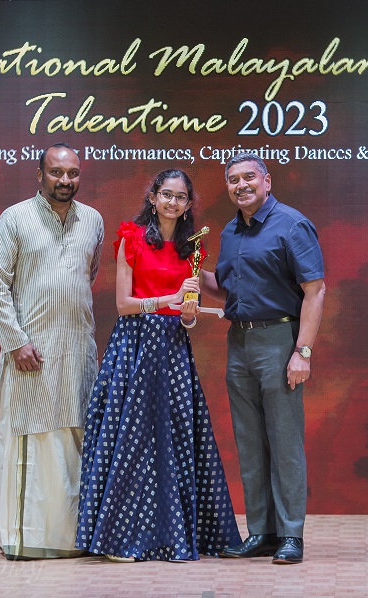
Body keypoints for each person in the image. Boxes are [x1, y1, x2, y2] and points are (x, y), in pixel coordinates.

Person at [76, 168, 242, 562]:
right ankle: (118, 540)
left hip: (172, 349)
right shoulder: (132, 238)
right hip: (134, 347)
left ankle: (171, 536)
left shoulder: (190, 249)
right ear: (153, 197)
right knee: (130, 443)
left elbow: (186, 314)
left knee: (174, 441)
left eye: (180, 197)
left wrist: (188, 312)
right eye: (166, 194)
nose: (172, 202)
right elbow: (123, 305)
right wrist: (170, 299)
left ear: (188, 204)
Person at [200, 152, 325, 565]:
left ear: (267, 181)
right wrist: (188, 268)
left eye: (249, 177)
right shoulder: (230, 230)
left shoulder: (292, 224)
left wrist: (302, 352)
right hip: (239, 342)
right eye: (233, 180)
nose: (241, 185)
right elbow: (226, 289)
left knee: (284, 442)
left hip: (279, 341)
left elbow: (315, 291)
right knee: (250, 442)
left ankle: (291, 535)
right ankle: (261, 533)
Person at [0, 142, 104, 561]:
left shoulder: (93, 221)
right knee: (33, 443)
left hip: (77, 354)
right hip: (30, 358)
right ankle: (26, 541)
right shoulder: (14, 218)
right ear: (40, 175)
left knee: (74, 445)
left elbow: (87, 275)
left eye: (72, 173)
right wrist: (16, 341)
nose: (65, 181)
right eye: (56, 172)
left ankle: (72, 540)